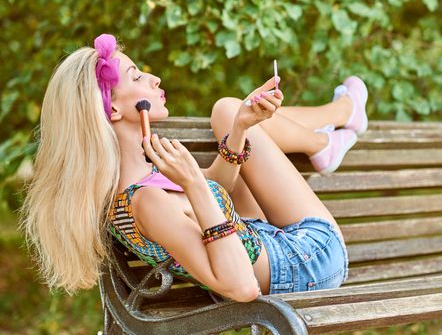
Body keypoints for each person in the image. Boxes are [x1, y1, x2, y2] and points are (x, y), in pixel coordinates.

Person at [20, 33, 368, 302]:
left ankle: (335, 125)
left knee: (234, 113)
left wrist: (243, 127)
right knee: (226, 109)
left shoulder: (138, 181)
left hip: (272, 246)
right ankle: (336, 125)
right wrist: (194, 184)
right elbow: (243, 287)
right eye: (137, 76)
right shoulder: (146, 201)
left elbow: (216, 191)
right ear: (113, 111)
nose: (153, 79)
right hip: (309, 261)